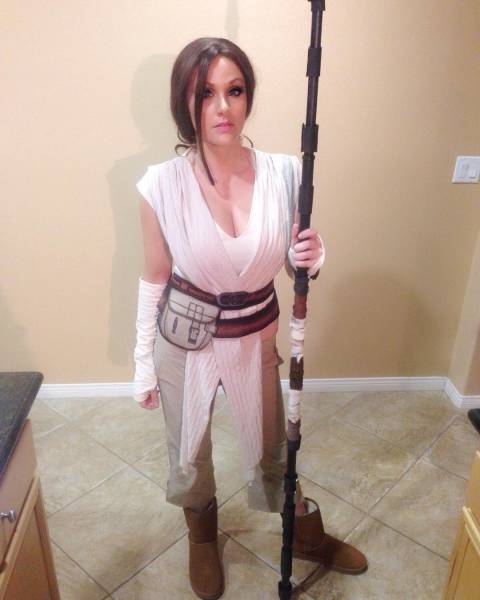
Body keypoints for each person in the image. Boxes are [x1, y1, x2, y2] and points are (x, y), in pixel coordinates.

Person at [133, 37, 367, 600]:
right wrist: (142, 361)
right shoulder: (160, 184)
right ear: (184, 100)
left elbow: (294, 259)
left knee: (274, 447)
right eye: (205, 93)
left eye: (234, 91)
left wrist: (314, 254)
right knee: (189, 451)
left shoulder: (286, 173)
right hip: (184, 339)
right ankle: (202, 538)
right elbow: (155, 275)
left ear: (248, 97)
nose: (222, 107)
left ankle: (303, 534)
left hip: (254, 336)